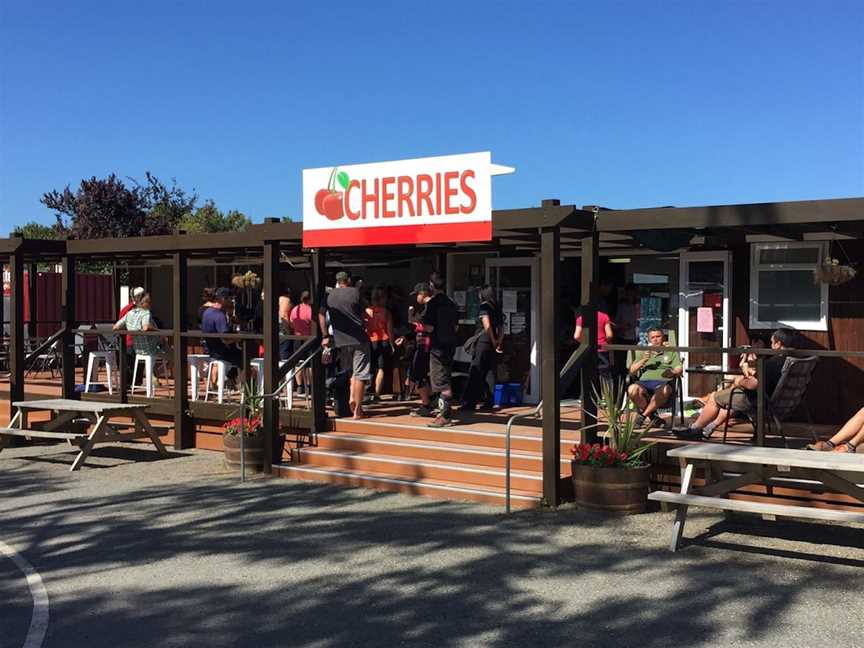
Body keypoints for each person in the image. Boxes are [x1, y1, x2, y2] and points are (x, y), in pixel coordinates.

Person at [686, 328, 795, 439]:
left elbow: (753, 385)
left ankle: (695, 429)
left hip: (760, 401)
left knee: (715, 397)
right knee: (731, 398)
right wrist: (752, 372)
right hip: (782, 402)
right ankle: (709, 427)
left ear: (778, 344)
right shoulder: (793, 361)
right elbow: (767, 378)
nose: (771, 346)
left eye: (772, 343)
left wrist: (739, 381)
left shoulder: (772, 362)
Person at [319, 272, 371, 419]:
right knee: (361, 372)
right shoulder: (355, 292)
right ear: (348, 280)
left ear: (337, 281)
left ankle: (352, 397)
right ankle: (357, 410)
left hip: (340, 340)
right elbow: (366, 312)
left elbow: (321, 315)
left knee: (350, 371)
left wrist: (325, 335)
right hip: (359, 338)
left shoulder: (329, 296)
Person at [419, 274, 460, 428]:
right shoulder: (451, 303)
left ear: (431, 285)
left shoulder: (433, 303)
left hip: (437, 346)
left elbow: (429, 327)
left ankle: (445, 415)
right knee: (446, 376)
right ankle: (443, 412)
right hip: (450, 344)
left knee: (441, 381)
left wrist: (419, 322)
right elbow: (456, 326)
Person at [627, 327, 683, 428]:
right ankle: (653, 417)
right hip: (644, 383)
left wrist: (672, 371)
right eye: (653, 337)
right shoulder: (644, 352)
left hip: (663, 383)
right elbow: (632, 371)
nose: (656, 339)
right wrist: (643, 360)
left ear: (663, 338)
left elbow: (679, 368)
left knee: (664, 390)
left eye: (658, 336)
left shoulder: (670, 351)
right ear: (649, 339)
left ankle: (643, 416)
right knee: (632, 389)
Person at [460, 285, 504, 411]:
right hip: (492, 343)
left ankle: (470, 402)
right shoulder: (496, 307)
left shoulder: (484, 306)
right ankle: (490, 401)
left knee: (476, 370)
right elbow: (501, 327)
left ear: (483, 294)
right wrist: (498, 341)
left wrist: (492, 339)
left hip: (484, 341)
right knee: (489, 372)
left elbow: (487, 325)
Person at [113, 292, 169, 385]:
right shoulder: (146, 313)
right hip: (149, 349)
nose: (151, 305)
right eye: (149, 302)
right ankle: (176, 386)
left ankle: (152, 377)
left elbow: (115, 327)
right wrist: (159, 332)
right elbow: (146, 327)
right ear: (143, 303)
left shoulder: (129, 313)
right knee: (176, 357)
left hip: (137, 349)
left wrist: (131, 329)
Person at [397, 283, 432, 404]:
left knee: (418, 373)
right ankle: (428, 401)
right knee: (418, 372)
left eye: (417, 294)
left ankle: (426, 403)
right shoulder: (425, 308)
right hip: (422, 344)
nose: (416, 298)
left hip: (426, 345)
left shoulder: (429, 307)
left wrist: (412, 318)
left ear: (422, 293)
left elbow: (428, 327)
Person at [201, 287, 243, 384]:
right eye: (230, 299)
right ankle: (247, 390)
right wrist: (238, 338)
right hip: (222, 353)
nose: (232, 301)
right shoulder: (219, 315)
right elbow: (225, 338)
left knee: (238, 356)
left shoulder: (207, 312)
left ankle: (226, 382)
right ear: (223, 299)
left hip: (211, 351)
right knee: (247, 358)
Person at [366, 287, 394, 402]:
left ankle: (369, 390)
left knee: (371, 367)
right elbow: (390, 330)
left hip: (371, 340)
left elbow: (365, 327)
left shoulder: (368, 311)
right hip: (384, 340)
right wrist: (392, 344)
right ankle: (376, 393)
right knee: (381, 368)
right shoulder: (386, 312)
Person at [574, 306, 614, 378]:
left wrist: (585, 342)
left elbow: (576, 336)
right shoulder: (604, 316)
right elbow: (609, 335)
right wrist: (605, 342)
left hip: (587, 350)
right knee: (604, 374)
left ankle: (591, 389)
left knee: (589, 374)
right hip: (602, 349)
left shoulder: (581, 318)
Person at [289, 291, 313, 395]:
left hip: (297, 337)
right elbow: (313, 324)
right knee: (310, 363)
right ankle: (309, 385)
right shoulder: (311, 309)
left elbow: (291, 323)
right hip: (309, 338)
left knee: (298, 363)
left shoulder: (295, 309)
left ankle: (299, 386)